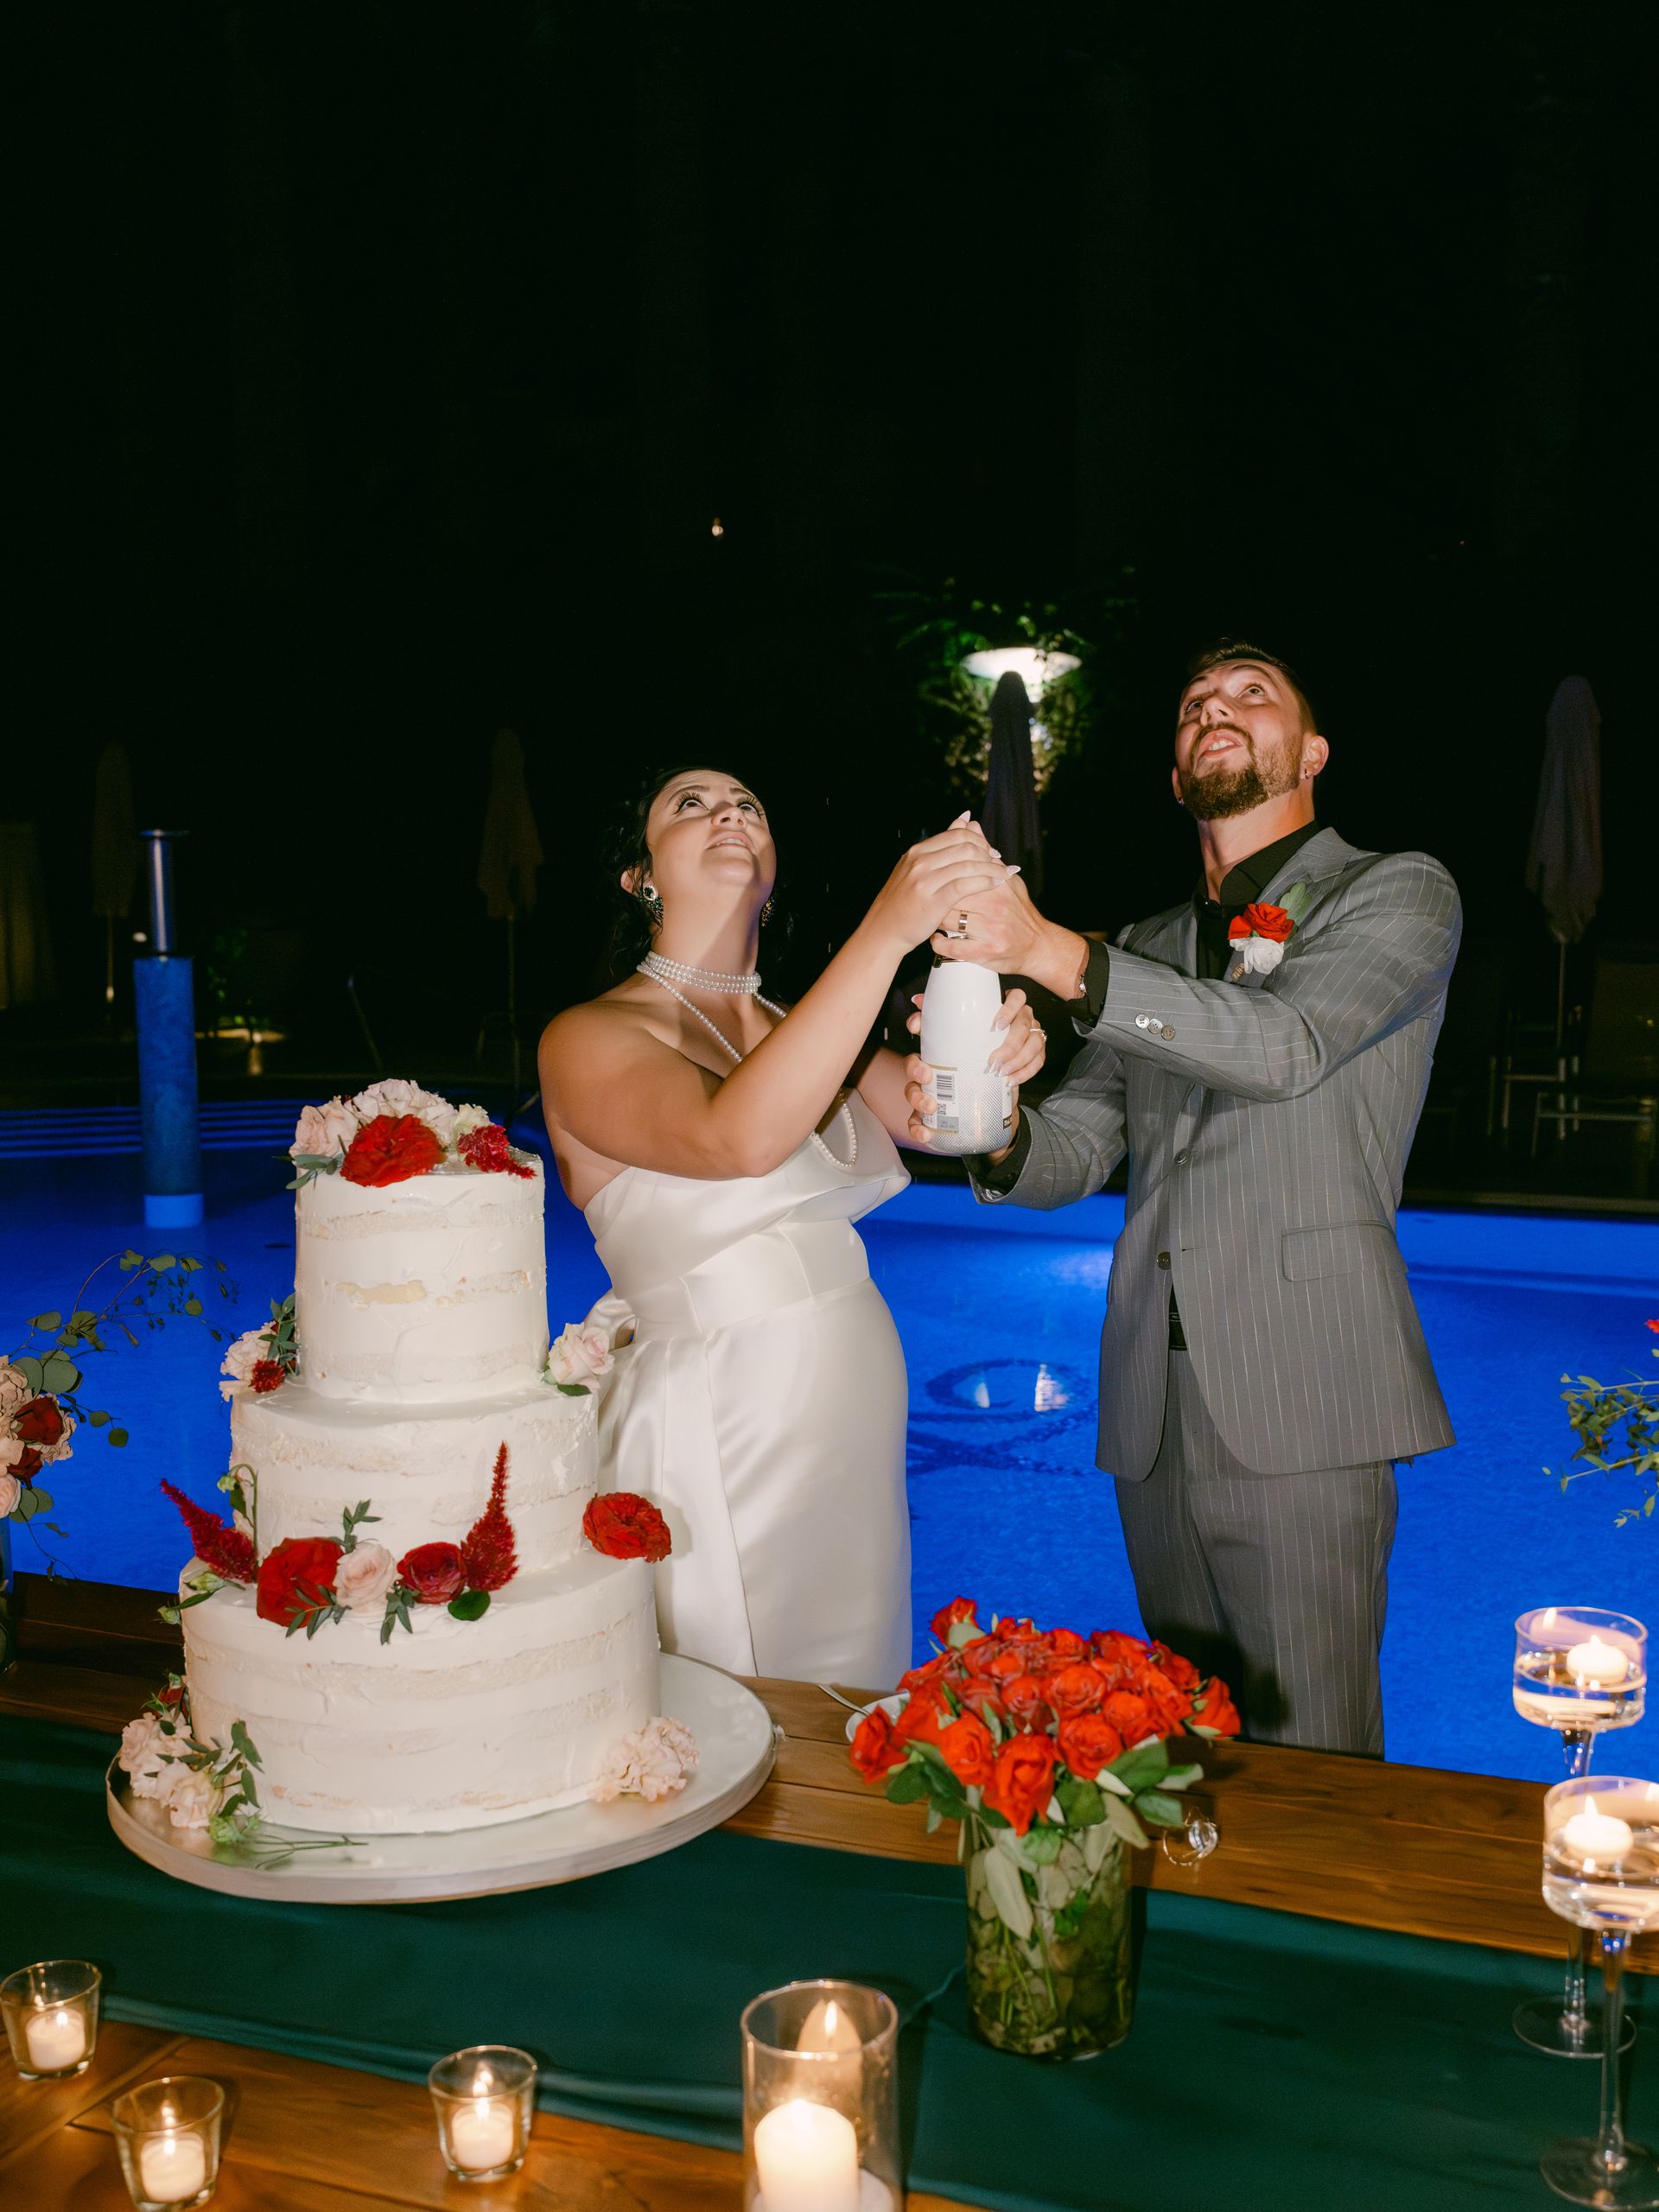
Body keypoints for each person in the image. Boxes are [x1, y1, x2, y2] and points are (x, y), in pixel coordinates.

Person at [911, 642, 1460, 1755]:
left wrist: (1059, 956)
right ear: (1176, 775)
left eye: (1252, 694)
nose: (1216, 707)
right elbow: (1080, 1149)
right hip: (1152, 1408)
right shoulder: (1153, 947)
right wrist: (998, 1118)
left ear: (1310, 750)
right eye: (1194, 704)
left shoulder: (1398, 889)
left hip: (1307, 1392)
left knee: (1314, 1760)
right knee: (1185, 1748)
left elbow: (1289, 1043)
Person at [538, 765, 1045, 1688]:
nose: (727, 812)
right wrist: (884, 931)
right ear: (638, 875)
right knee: (729, 1695)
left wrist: (1000, 1061)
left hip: (846, 1405)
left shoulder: (805, 1028)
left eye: (747, 806)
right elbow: (738, 1136)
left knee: (851, 1681)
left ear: (770, 869)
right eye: (689, 804)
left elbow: (951, 1124)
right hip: (717, 1411)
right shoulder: (586, 1035)